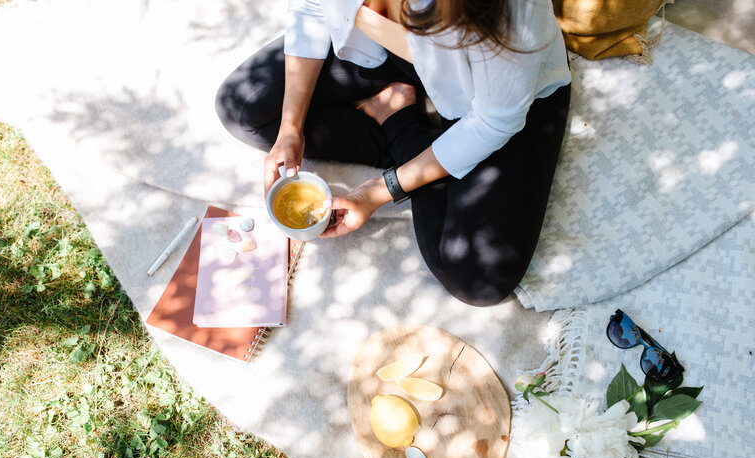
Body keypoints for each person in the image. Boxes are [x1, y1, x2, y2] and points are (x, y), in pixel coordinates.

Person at [216, 0, 571, 306]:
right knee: (243, 110)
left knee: (476, 279)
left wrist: (380, 190)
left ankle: (398, 121)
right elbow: (312, 9)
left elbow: (493, 122)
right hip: (388, 52)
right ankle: (405, 119)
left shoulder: (512, 13)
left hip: (491, 97)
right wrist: (291, 127)